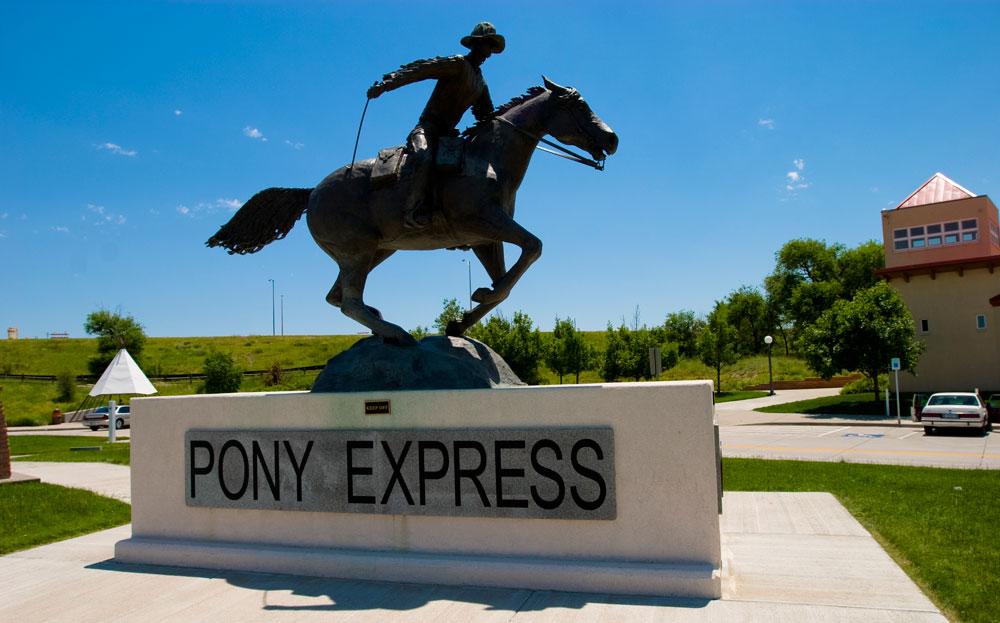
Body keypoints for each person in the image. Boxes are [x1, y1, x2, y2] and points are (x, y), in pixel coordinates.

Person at [367, 22, 504, 229]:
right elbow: (421, 70)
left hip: (448, 137)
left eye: (492, 48)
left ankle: (458, 219)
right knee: (423, 156)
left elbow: (486, 117)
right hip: (427, 129)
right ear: (476, 44)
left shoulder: (480, 84)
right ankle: (411, 211)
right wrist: (388, 83)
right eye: (488, 46)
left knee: (468, 168)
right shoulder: (457, 64)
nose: (489, 53)